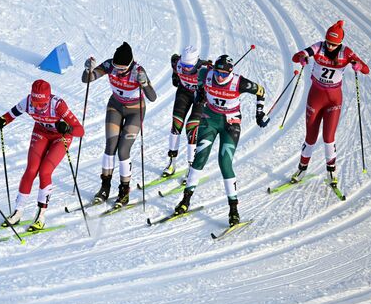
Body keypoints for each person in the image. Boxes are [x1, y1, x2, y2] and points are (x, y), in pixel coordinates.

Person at [174, 54, 268, 226]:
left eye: (224, 75)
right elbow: (197, 72)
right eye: (218, 73)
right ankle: (185, 201)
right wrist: (200, 92)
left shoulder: (239, 82)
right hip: (210, 120)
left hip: (230, 124)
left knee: (225, 163)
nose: (220, 77)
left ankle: (233, 210)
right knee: (199, 158)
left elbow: (261, 91)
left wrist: (259, 113)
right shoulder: (206, 74)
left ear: (231, 73)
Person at [0, 79, 84, 231]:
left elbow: (80, 130)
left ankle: (40, 216)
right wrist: (2, 121)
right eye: (35, 103)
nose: (38, 107)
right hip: (41, 133)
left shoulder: (58, 105)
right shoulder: (28, 101)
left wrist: (67, 128)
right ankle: (17, 212)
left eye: (42, 104)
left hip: (60, 137)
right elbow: (10, 115)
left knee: (45, 171)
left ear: (48, 99)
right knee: (31, 170)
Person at [290, 20, 369, 187]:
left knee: (328, 137)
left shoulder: (346, 52)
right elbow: (296, 56)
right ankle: (302, 169)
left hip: (334, 99)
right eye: (328, 43)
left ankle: (331, 171)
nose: (330, 47)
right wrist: (302, 57)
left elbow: (366, 69)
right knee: (310, 136)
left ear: (340, 43)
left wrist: (357, 65)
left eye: (334, 44)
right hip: (316, 97)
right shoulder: (319, 47)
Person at [82, 41, 157, 207]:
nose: (119, 71)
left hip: (134, 111)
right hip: (115, 107)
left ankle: (124, 190)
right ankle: (104, 187)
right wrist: (88, 70)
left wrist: (144, 83)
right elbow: (87, 80)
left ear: (130, 64)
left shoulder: (138, 71)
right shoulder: (110, 65)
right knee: (110, 147)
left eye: (123, 69)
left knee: (123, 150)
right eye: (117, 68)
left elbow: (152, 97)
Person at [163, 45, 212, 177]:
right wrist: (175, 76)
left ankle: (191, 166)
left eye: (189, 67)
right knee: (176, 124)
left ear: (196, 62)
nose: (185, 69)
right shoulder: (177, 63)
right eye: (184, 65)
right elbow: (173, 59)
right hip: (184, 93)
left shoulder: (205, 69)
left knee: (192, 127)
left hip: (199, 98)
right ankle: (172, 162)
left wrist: (204, 92)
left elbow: (218, 81)